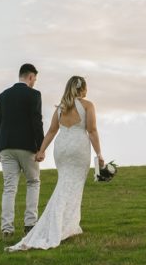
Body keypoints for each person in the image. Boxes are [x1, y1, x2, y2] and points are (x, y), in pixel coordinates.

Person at [6, 75, 103, 252]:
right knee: (71, 186)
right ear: (83, 89)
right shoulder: (88, 105)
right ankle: (59, 226)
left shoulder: (61, 108)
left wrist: (42, 150)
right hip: (78, 148)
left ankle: (70, 225)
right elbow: (92, 130)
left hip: (62, 149)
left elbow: (51, 131)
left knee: (65, 184)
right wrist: (99, 153)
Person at [0, 63, 45, 238]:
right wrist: (41, 147)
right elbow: (36, 121)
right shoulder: (34, 95)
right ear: (30, 77)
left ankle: (7, 229)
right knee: (33, 182)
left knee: (9, 188)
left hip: (5, 146)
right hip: (27, 146)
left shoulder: (3, 96)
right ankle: (30, 224)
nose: (34, 82)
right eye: (35, 79)